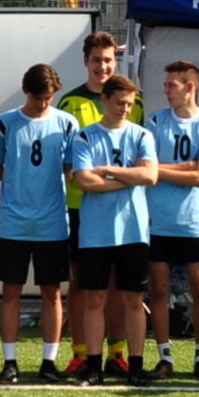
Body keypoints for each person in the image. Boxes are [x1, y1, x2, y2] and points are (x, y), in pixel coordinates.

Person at [0, 64, 77, 384]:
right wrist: (20, 182)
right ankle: (10, 363)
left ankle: (49, 362)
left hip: (52, 223)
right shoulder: (5, 124)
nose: (44, 103)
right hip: (14, 223)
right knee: (11, 293)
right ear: (25, 91)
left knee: (52, 293)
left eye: (49, 97)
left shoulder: (67, 123)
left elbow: (70, 168)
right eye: (38, 98)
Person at [60, 31, 143, 375]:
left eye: (108, 60)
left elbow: (142, 165)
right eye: (96, 60)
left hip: (124, 211)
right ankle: (82, 352)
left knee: (119, 287)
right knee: (84, 284)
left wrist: (116, 177)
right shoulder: (70, 103)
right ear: (86, 62)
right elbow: (70, 167)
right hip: (81, 207)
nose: (103, 66)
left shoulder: (134, 103)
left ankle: (117, 353)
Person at [70, 75, 158, 387]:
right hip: (95, 232)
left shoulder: (142, 135)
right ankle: (93, 366)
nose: (125, 109)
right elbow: (84, 181)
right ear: (105, 100)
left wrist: (109, 171)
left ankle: (136, 366)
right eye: (120, 102)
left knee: (133, 300)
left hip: (133, 231)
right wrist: (129, 177)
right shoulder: (84, 137)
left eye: (130, 104)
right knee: (94, 300)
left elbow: (150, 176)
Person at [146, 60, 199, 381]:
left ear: (190, 87)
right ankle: (165, 357)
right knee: (159, 290)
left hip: (193, 221)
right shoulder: (155, 121)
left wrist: (162, 169)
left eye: (171, 85)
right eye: (165, 85)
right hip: (158, 221)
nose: (166, 90)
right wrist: (187, 165)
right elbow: (146, 168)